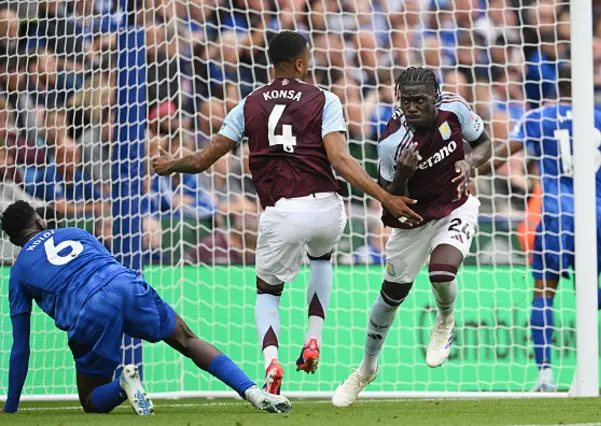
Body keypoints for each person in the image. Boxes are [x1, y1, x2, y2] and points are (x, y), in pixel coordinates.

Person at [152, 30, 422, 395]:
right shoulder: (325, 99)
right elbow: (340, 159)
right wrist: (384, 197)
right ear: (299, 63)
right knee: (322, 259)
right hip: (327, 206)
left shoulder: (248, 104)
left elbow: (204, 159)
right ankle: (313, 339)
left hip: (282, 212)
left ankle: (271, 363)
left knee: (268, 292)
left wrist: (172, 165)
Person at [0, 201, 291, 415]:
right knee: (187, 340)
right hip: (124, 283)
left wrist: (11, 407)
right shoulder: (76, 232)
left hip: (89, 309)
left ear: (13, 241)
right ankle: (252, 390)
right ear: (40, 220)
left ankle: (123, 383)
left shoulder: (18, 272)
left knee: (90, 402)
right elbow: (109, 264)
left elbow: (21, 348)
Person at [332, 67, 492, 407]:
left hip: (455, 208)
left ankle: (445, 319)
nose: (412, 107)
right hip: (412, 222)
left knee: (442, 272)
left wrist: (470, 163)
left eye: (420, 100)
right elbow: (392, 203)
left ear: (435, 96)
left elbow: (484, 144)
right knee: (389, 299)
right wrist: (403, 174)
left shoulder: (455, 108)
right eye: (406, 101)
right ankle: (366, 369)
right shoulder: (392, 143)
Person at [476, 65, 601, 392]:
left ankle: (545, 377)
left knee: (544, 292)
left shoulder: (538, 119)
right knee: (587, 291)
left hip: (555, 214)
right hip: (594, 213)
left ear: (553, 89)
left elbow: (497, 159)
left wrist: (467, 169)